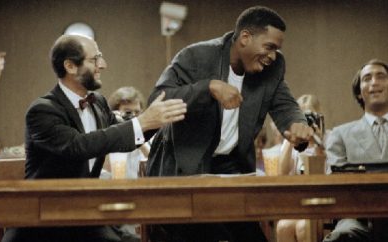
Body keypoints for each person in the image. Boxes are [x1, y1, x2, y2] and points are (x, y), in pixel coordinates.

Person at [146, 6, 314, 242]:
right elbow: (157, 100)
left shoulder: (272, 68)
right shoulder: (196, 56)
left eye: (277, 49)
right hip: (184, 172)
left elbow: (285, 104)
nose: (273, 56)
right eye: (270, 47)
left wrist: (297, 125)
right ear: (245, 38)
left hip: (230, 171)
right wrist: (209, 88)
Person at [1, 34, 187, 242]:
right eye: (95, 59)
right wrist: (142, 121)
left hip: (85, 217)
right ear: (70, 66)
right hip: (44, 222)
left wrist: (159, 119)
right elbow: (78, 146)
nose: (103, 65)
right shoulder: (42, 110)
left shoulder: (98, 103)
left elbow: (123, 136)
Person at [323, 59, 388, 242]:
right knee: (341, 236)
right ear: (359, 93)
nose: (374, 82)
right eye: (367, 78)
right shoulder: (340, 134)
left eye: (381, 76)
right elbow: (337, 182)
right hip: (357, 217)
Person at [276, 94, 325, 242]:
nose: (305, 122)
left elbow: (324, 173)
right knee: (283, 227)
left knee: (304, 227)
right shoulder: (290, 143)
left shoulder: (327, 139)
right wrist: (292, 140)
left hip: (322, 202)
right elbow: (282, 174)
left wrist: (318, 141)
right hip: (298, 204)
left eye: (309, 117)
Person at [107, 86, 150, 178]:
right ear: (115, 113)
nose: (134, 116)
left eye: (137, 112)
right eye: (128, 112)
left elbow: (157, 165)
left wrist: (138, 139)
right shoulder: (106, 136)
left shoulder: (150, 135)